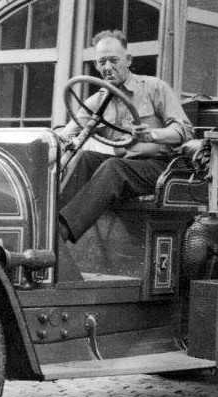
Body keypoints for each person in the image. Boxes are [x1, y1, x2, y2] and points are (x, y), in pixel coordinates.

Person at [55, 30, 191, 244]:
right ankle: (51, 222)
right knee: (84, 158)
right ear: (97, 66)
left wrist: (152, 135)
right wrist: (56, 142)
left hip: (162, 167)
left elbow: (183, 131)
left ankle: (61, 233)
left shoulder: (154, 88)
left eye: (113, 60)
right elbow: (67, 134)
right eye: (102, 62)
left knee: (112, 167)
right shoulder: (97, 101)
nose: (107, 67)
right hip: (127, 168)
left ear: (128, 60)